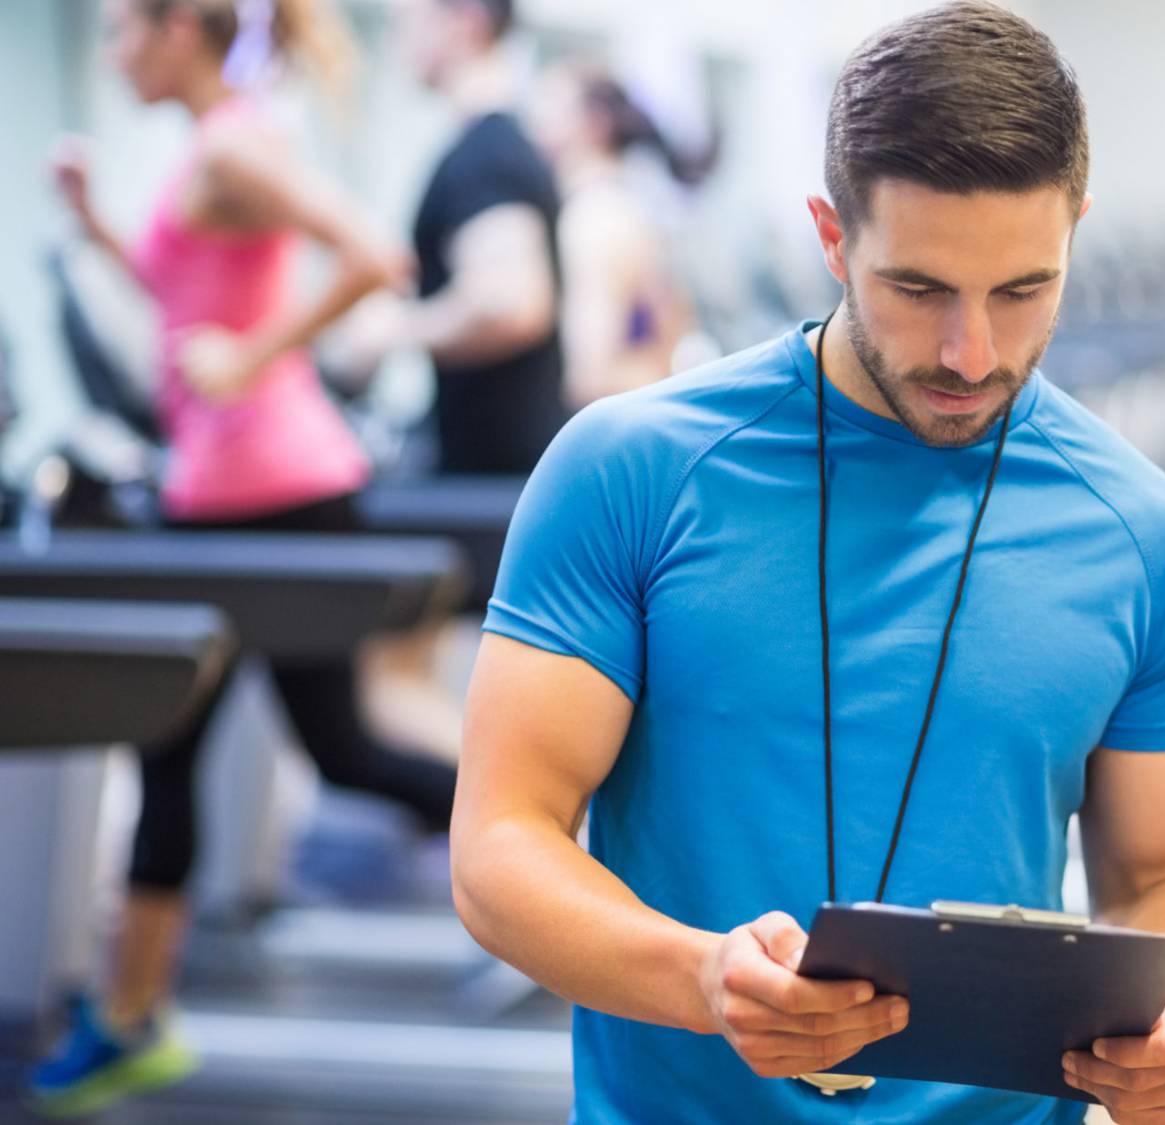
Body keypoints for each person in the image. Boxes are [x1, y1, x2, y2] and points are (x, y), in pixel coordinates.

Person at [450, 4, 1165, 1122]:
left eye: (1022, 289)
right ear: (830, 235)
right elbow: (500, 841)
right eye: (917, 289)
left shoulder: (1152, 538)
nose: (972, 352)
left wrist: (1159, 1041)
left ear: (1075, 231)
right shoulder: (630, 472)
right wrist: (704, 981)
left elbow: (1162, 882)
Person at [28, 0, 457, 1116]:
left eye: (126, 30)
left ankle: (126, 1021)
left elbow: (378, 256)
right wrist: (97, 227)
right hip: (231, 495)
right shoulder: (218, 144)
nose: (115, 50)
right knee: (256, 750)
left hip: (265, 499)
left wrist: (255, 358)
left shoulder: (229, 145)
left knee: (317, 751)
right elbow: (187, 303)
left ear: (181, 32)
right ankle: (129, 1018)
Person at [339, 0, 567, 476]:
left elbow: (510, 306)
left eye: (410, 17)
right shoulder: (491, 148)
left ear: (465, 20)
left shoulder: (488, 154)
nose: (400, 34)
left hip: (497, 480)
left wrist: (389, 331)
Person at [528, 57, 715, 408]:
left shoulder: (594, 217)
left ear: (594, 123)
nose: (535, 120)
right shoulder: (627, 208)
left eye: (549, 104)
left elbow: (590, 378)